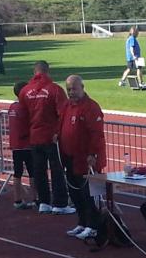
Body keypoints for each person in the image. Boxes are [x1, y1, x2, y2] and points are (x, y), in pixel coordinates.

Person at [19, 60, 74, 214]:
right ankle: (60, 203)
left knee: (39, 171)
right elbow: (64, 113)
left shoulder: (25, 91)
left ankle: (44, 202)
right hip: (52, 137)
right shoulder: (55, 89)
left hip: (34, 137)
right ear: (47, 71)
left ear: (34, 72)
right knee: (57, 170)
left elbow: (22, 115)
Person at [60, 75, 107, 240]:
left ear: (82, 87)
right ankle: (82, 222)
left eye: (74, 88)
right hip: (70, 157)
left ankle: (93, 226)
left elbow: (96, 134)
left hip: (86, 160)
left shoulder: (91, 107)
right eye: (68, 89)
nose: (71, 92)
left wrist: (92, 154)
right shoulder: (67, 105)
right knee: (75, 193)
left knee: (89, 194)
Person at [8, 81, 36, 210]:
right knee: (32, 172)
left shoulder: (12, 107)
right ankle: (35, 199)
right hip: (26, 144)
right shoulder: (25, 108)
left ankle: (17, 200)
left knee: (17, 173)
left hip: (16, 145)